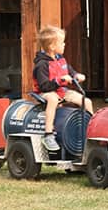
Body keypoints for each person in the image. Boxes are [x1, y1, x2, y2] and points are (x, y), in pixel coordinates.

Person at [33, 25, 93, 153]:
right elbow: (44, 86)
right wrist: (60, 80)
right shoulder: (42, 64)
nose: (64, 44)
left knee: (86, 101)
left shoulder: (61, 60)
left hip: (62, 91)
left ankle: (91, 131)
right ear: (52, 46)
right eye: (62, 42)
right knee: (53, 99)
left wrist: (76, 75)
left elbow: (70, 72)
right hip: (46, 92)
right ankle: (48, 134)